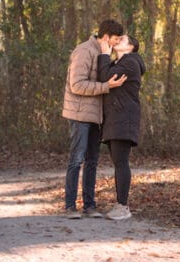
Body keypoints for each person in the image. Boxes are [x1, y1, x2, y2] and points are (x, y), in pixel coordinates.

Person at [62, 18, 126, 219]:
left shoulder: (105, 54)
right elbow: (77, 85)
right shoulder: (84, 51)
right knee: (76, 159)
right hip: (80, 114)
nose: (117, 43)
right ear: (106, 37)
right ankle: (70, 206)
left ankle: (89, 206)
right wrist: (106, 87)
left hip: (96, 116)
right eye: (116, 39)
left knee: (92, 161)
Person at [97, 34, 146, 220]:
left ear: (131, 47)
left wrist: (104, 54)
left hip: (124, 118)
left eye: (123, 40)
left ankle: (123, 207)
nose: (118, 41)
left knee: (121, 162)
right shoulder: (118, 63)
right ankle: (120, 205)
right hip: (115, 118)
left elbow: (105, 77)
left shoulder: (131, 63)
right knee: (118, 162)